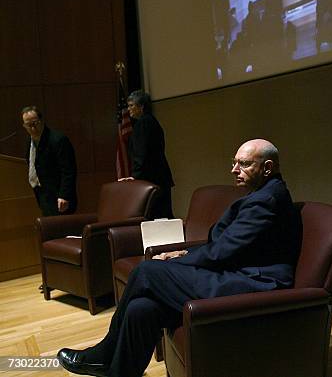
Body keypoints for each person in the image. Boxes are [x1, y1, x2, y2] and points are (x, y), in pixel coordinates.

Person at [57, 139, 302, 377]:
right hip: (237, 270)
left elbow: (220, 252)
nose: (234, 170)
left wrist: (174, 262)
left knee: (146, 271)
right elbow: (228, 248)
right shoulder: (262, 194)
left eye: (244, 164)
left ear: (267, 167)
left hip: (256, 283)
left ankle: (103, 353)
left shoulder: (266, 200)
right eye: (234, 162)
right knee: (141, 309)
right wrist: (184, 252)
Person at [119, 90, 175, 219]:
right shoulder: (152, 121)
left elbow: (141, 153)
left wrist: (135, 177)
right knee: (164, 217)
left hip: (150, 179)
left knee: (154, 217)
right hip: (161, 177)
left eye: (132, 105)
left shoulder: (143, 124)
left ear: (141, 106)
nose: (128, 109)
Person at [22, 106, 77, 216]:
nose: (33, 128)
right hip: (42, 194)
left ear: (42, 121)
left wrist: (64, 195)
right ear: (24, 126)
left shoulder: (58, 140)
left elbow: (69, 171)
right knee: (50, 230)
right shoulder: (30, 141)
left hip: (59, 196)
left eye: (35, 123)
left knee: (64, 230)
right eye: (29, 125)